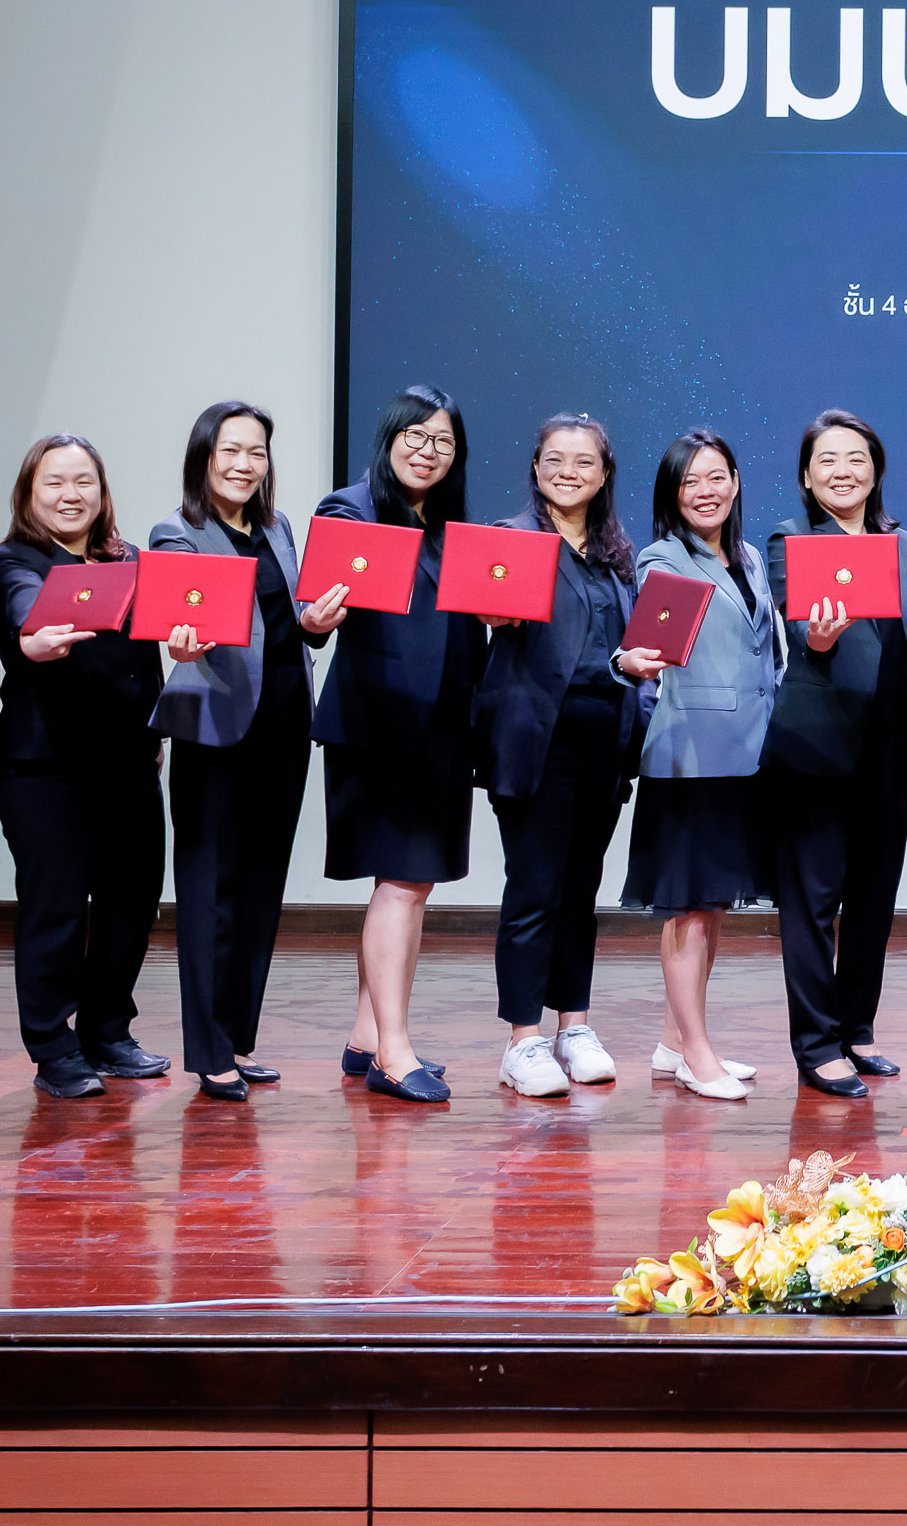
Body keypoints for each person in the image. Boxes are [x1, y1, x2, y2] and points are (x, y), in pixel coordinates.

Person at [470, 413, 659, 1100]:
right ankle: (522, 1038)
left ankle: (572, 1025)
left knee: (580, 894)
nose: (569, 471)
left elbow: (636, 651)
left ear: (604, 474)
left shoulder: (616, 555)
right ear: (537, 467)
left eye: (584, 462)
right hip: (535, 743)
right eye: (556, 459)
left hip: (602, 746)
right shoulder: (511, 541)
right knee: (534, 891)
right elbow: (511, 628)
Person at [310, 386, 487, 1105]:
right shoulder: (350, 509)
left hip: (441, 723)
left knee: (411, 884)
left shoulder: (448, 528)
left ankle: (365, 1037)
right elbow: (318, 613)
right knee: (401, 881)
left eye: (443, 440)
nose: (428, 449)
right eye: (414, 435)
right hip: (380, 725)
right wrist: (316, 619)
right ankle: (393, 1051)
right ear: (387, 440)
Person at [146, 400, 323, 1102]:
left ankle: (240, 1039)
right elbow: (177, 621)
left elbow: (293, 625)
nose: (245, 464)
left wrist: (316, 623)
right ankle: (208, 1048)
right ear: (204, 457)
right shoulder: (178, 532)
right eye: (231, 451)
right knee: (209, 892)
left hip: (283, 723)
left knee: (260, 888)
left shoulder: (279, 528)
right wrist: (180, 638)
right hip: (215, 729)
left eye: (257, 452)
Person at [0, 434, 167, 1099]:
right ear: (30, 494)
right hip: (46, 771)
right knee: (55, 909)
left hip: (130, 765)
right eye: (54, 482)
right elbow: (23, 610)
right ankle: (53, 1045)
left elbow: (154, 650)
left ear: (102, 491)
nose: (71, 494)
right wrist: (35, 636)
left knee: (131, 904)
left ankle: (107, 1032)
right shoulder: (12, 562)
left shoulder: (132, 560)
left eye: (83, 481)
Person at [761, 409, 907, 1099]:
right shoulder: (791, 538)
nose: (844, 471)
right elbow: (802, 623)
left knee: (874, 897)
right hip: (817, 746)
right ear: (808, 475)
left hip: (891, 748)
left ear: (876, 470)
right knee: (812, 901)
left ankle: (856, 1029)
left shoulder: (906, 545)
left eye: (857, 458)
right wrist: (823, 637)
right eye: (828, 460)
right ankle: (815, 1044)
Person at [625, 428, 781, 1100]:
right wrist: (631, 663)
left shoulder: (749, 556)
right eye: (690, 481)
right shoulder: (661, 559)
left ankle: (673, 1042)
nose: (705, 491)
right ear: (672, 494)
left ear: (736, 481)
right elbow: (646, 652)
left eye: (716, 476)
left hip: (747, 755)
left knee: (712, 907)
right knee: (686, 911)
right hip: (689, 755)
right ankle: (696, 1052)